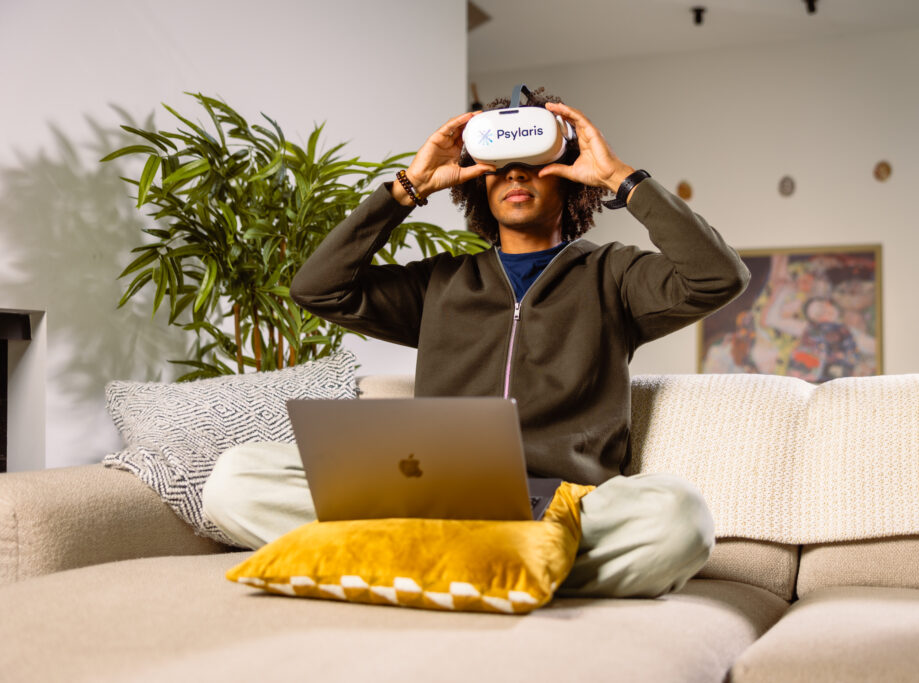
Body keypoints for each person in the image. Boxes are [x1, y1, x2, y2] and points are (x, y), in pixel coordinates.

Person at [203, 89, 750, 598]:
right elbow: (318, 289)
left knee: (679, 517)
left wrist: (620, 178)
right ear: (478, 186)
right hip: (435, 498)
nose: (515, 176)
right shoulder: (440, 283)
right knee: (236, 479)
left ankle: (443, 563)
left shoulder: (615, 277)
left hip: (557, 505)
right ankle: (503, 567)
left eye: (534, 163)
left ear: (570, 180)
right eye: (498, 167)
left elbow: (718, 276)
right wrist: (407, 188)